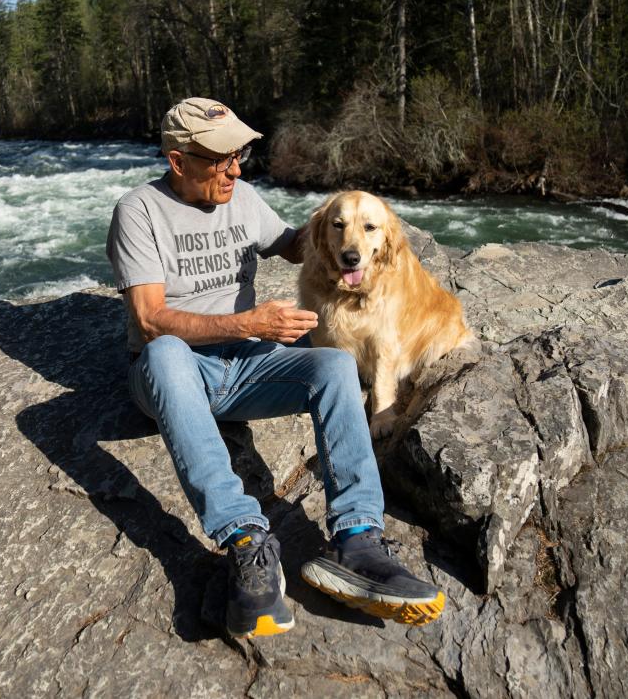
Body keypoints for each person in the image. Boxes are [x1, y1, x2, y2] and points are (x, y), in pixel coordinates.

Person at [106, 97, 444, 639]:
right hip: (177, 375)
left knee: (333, 365)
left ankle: (357, 540)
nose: (236, 168)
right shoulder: (138, 212)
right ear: (178, 161)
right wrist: (249, 325)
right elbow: (149, 320)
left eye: (238, 154)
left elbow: (293, 244)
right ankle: (246, 542)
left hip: (248, 370)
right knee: (165, 351)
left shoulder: (240, 196)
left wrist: (344, 232)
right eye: (221, 158)